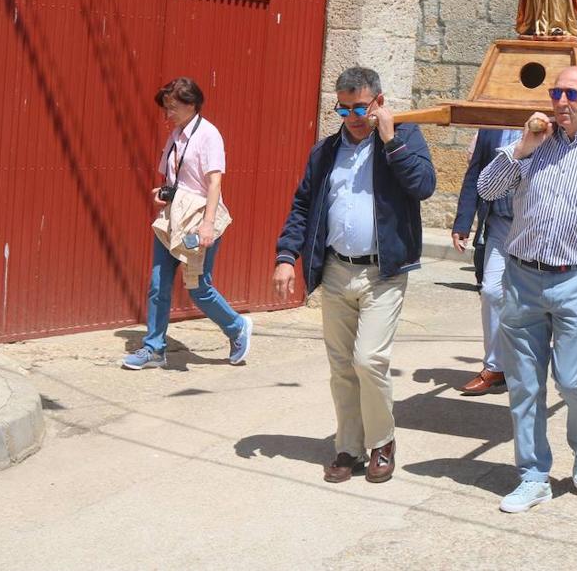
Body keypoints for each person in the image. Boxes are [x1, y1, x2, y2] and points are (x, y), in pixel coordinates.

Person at [477, 66, 577, 513]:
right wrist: (522, 148)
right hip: (522, 279)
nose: (561, 102)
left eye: (571, 93)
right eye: (555, 93)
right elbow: (487, 190)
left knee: (572, 381)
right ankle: (533, 476)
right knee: (525, 387)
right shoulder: (533, 145)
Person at [273, 67, 436, 485]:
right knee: (342, 365)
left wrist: (390, 140)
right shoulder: (326, 151)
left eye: (361, 107)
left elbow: (423, 186)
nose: (352, 116)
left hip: (383, 272)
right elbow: (303, 205)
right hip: (335, 270)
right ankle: (349, 446)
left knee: (369, 360)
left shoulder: (405, 138)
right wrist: (286, 256)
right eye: (343, 108)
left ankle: (383, 442)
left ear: (379, 102)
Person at [123, 78, 252, 370]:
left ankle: (236, 327)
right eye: (166, 107)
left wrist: (207, 224)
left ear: (191, 104)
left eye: (172, 107)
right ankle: (154, 348)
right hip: (173, 217)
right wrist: (164, 193)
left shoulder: (209, 135)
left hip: (197, 219)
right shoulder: (176, 135)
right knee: (158, 284)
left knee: (198, 287)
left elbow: (214, 182)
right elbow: (176, 178)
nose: (167, 113)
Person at [452, 127, 521, 395]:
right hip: (500, 224)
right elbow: (474, 174)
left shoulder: (551, 122)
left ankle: (524, 366)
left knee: (530, 300)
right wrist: (463, 222)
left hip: (535, 226)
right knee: (491, 291)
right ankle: (495, 367)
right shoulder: (491, 126)